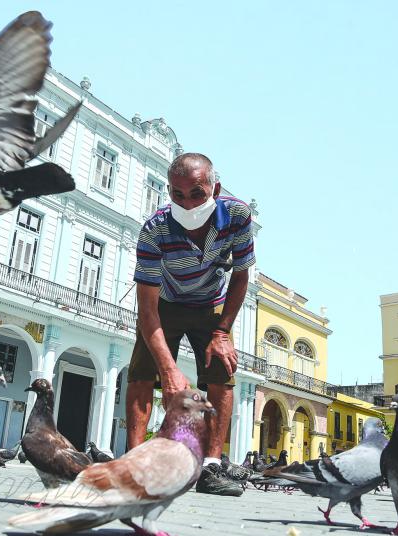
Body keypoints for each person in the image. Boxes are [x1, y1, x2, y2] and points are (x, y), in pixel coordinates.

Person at [126, 152, 255, 496]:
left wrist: (222, 333)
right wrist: (167, 371)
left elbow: (241, 276)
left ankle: (211, 468)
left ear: (216, 187)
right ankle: (135, 463)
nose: (187, 203)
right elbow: (147, 311)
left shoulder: (238, 216)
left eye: (197, 193)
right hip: (165, 303)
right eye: (177, 194)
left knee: (221, 374)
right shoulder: (154, 230)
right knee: (140, 372)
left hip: (211, 303)